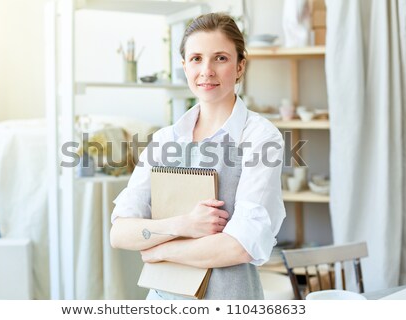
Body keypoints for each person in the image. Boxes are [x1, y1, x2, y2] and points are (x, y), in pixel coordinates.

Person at [110, 12, 286, 300]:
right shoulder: (165, 139)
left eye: (220, 58)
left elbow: (241, 245)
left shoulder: (259, 137)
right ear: (184, 66)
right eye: (196, 59)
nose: (207, 70)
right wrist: (183, 225)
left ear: (240, 66)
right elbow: (120, 233)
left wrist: (161, 249)